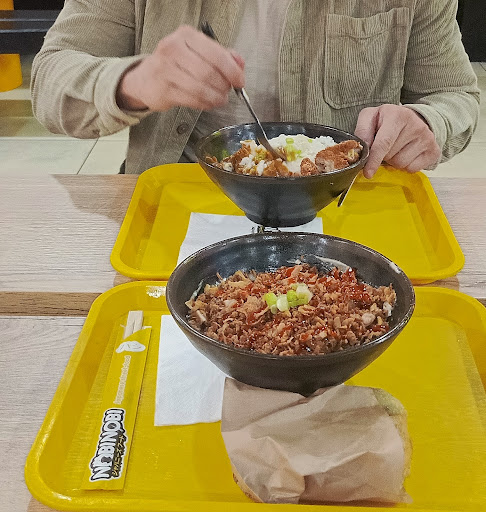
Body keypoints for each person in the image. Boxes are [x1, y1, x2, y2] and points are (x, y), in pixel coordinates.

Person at [31, 1, 480, 176]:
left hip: (343, 207)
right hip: (178, 196)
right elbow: (51, 81)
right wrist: (134, 83)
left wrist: (427, 123)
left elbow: (455, 95)